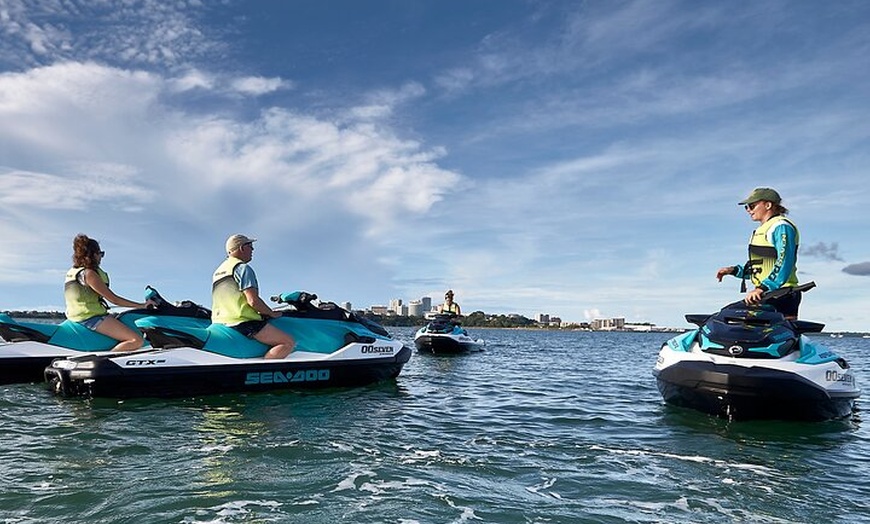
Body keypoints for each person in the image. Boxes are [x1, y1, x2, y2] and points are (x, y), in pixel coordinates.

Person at [716, 187, 801, 318]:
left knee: (726, 316)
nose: (748, 210)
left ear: (768, 205)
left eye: (752, 206)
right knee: (729, 317)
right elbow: (760, 267)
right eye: (746, 207)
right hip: (768, 293)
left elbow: (784, 261)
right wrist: (733, 270)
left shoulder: (780, 226)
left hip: (780, 294)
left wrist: (762, 288)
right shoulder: (762, 230)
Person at [64, 234, 154, 351]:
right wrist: (142, 305)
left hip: (78, 316)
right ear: (93, 255)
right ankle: (107, 361)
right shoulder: (89, 274)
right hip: (90, 318)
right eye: (100, 254)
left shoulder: (74, 272)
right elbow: (113, 299)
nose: (101, 258)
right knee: (136, 340)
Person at [211, 234, 295, 359]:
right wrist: (271, 313)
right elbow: (253, 301)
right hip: (242, 321)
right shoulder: (242, 268)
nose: (253, 250)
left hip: (218, 322)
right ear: (242, 248)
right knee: (288, 342)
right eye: (250, 246)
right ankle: (263, 373)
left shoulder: (219, 271)